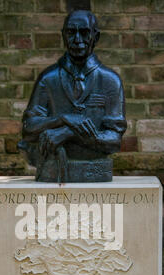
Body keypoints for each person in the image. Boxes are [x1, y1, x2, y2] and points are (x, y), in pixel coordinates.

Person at [20, 10, 127, 182]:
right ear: (63, 36)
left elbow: (114, 140)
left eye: (84, 33)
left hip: (96, 172)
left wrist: (68, 132)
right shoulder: (48, 79)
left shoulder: (110, 81)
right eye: (71, 33)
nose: (77, 40)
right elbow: (28, 129)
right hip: (53, 172)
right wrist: (63, 118)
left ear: (96, 37)